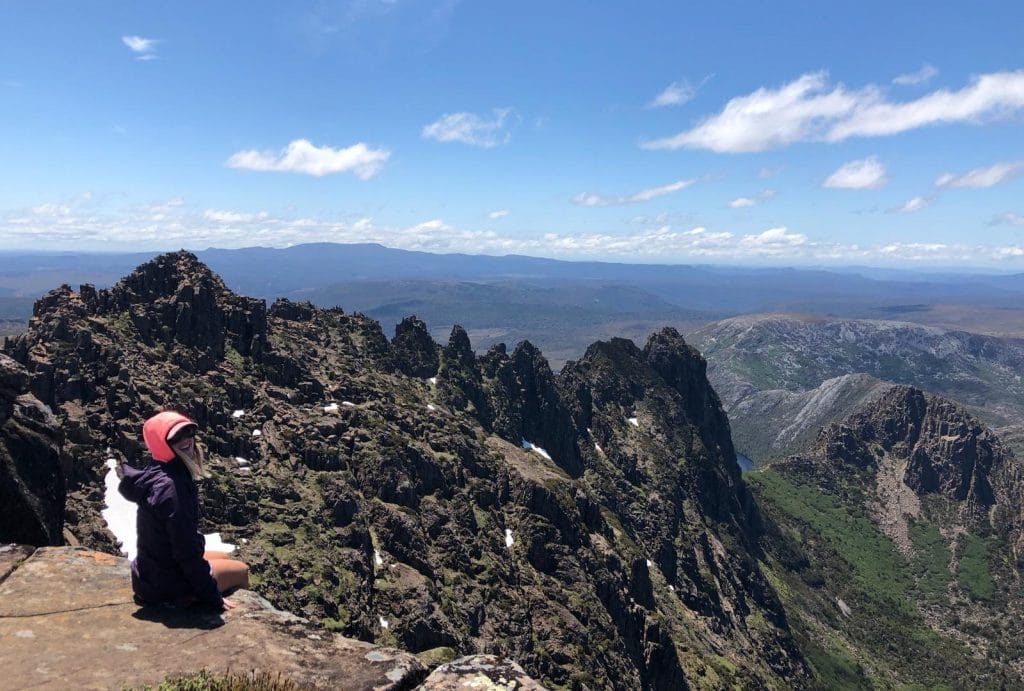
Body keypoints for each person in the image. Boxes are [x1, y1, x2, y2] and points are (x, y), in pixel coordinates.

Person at [118, 410, 249, 610]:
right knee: (241, 571)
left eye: (189, 432)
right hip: (167, 586)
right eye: (176, 436)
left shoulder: (158, 471)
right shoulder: (172, 488)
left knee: (224, 558)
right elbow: (186, 551)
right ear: (162, 444)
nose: (187, 439)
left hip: (148, 575)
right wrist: (212, 597)